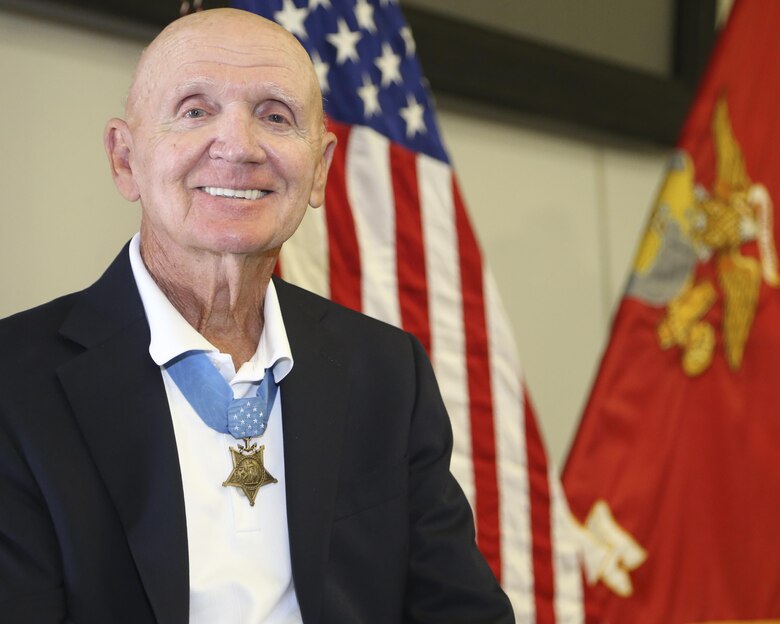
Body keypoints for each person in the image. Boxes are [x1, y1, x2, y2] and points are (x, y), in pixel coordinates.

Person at [0, 8, 514, 624]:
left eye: (275, 116)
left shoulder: (386, 372)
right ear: (125, 159)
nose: (240, 147)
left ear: (320, 169)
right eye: (195, 110)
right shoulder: (15, 383)